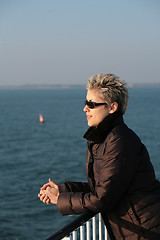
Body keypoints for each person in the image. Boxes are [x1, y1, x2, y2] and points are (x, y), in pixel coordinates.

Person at [38, 73, 160, 239]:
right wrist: (63, 189)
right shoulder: (101, 138)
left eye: (92, 104)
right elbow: (102, 187)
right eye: (85, 102)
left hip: (145, 231)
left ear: (112, 108)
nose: (85, 108)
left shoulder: (120, 141)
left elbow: (102, 198)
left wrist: (59, 199)